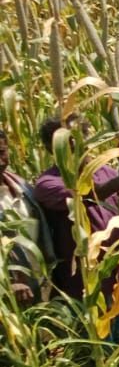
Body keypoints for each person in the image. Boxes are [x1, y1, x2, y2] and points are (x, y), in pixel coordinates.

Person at [34, 115, 119, 347]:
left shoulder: (106, 171)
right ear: (50, 147)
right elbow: (81, 196)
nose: (76, 145)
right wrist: (118, 182)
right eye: (67, 141)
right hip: (87, 291)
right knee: (100, 352)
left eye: (80, 137)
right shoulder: (47, 183)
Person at [1, 128, 49, 306]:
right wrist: (9, 281)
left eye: (2, 152)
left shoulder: (24, 188)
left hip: (39, 285)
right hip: (8, 296)